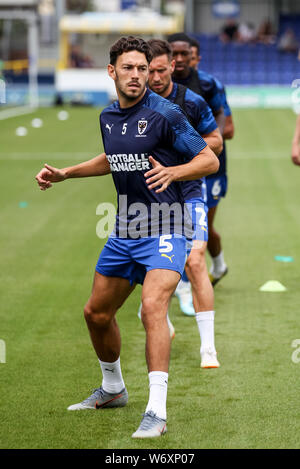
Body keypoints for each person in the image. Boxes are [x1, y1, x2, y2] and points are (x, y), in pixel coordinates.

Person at [35, 36, 219, 439]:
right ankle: (113, 388)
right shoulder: (107, 117)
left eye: (142, 68)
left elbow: (208, 158)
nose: (137, 75)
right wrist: (67, 173)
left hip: (168, 224)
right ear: (112, 71)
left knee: (153, 307)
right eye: (129, 68)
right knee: (95, 314)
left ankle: (157, 411)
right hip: (125, 229)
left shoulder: (166, 114)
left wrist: (173, 172)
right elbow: (112, 158)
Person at [146, 38, 223, 368]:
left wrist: (181, 158)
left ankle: (208, 348)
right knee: (150, 267)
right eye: (149, 71)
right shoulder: (133, 103)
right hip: (150, 196)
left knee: (194, 261)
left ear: (172, 68)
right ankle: (158, 319)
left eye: (162, 70)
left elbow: (217, 141)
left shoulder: (190, 102)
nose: (156, 77)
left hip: (189, 190)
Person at [187, 37, 234, 285]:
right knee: (187, 225)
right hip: (185, 167)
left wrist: (192, 139)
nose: (184, 60)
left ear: (197, 58)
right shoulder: (168, 87)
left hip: (213, 168)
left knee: (203, 224)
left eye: (190, 55)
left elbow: (229, 129)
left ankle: (213, 268)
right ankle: (210, 270)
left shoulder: (209, 84)